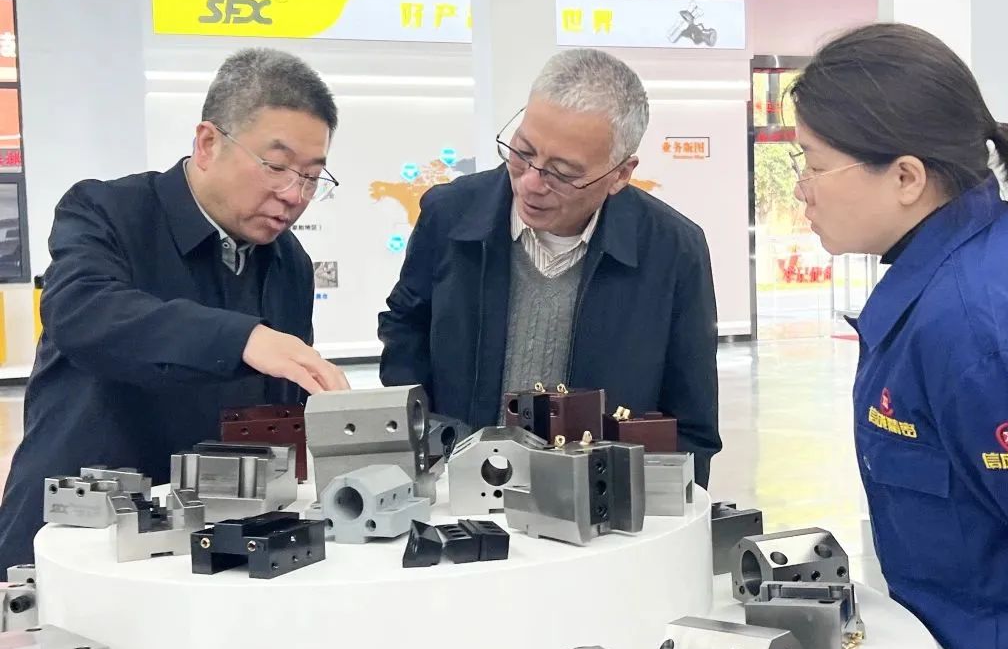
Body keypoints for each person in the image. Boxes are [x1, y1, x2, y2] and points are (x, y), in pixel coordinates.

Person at [791, 23, 1008, 649]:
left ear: (906, 177)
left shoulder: (975, 327)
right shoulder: (980, 261)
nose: (800, 190)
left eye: (813, 164)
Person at [0, 48, 351, 568]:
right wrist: (243, 339)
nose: (294, 194)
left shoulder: (288, 262)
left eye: (311, 177)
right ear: (208, 143)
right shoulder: (108, 211)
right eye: (277, 167)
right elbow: (83, 311)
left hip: (216, 540)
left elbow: (276, 412)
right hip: (79, 533)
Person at [378, 48, 721, 486]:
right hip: (458, 488)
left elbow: (691, 424)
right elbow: (405, 330)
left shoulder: (673, 250)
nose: (530, 183)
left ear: (621, 174)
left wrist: (658, 508)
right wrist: (424, 444)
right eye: (522, 152)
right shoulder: (449, 214)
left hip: (599, 503)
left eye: (562, 173)